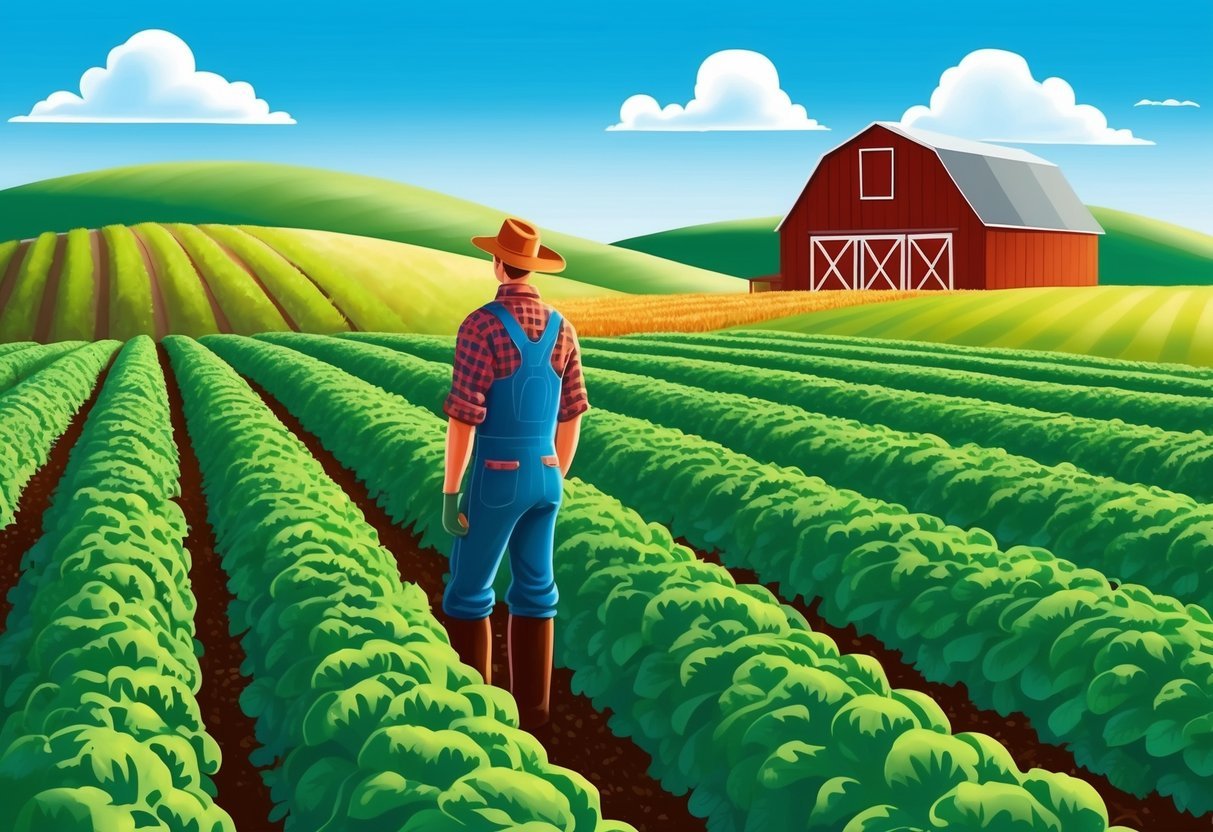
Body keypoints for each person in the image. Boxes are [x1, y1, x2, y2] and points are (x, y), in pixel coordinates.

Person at [440, 217, 588, 730]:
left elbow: (464, 416)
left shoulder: (481, 325)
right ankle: (536, 717)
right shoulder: (562, 327)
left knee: (470, 591)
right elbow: (574, 413)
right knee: (536, 590)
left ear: (499, 264)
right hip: (547, 473)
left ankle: (475, 717)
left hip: (497, 475)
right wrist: (554, 474)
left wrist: (452, 489)